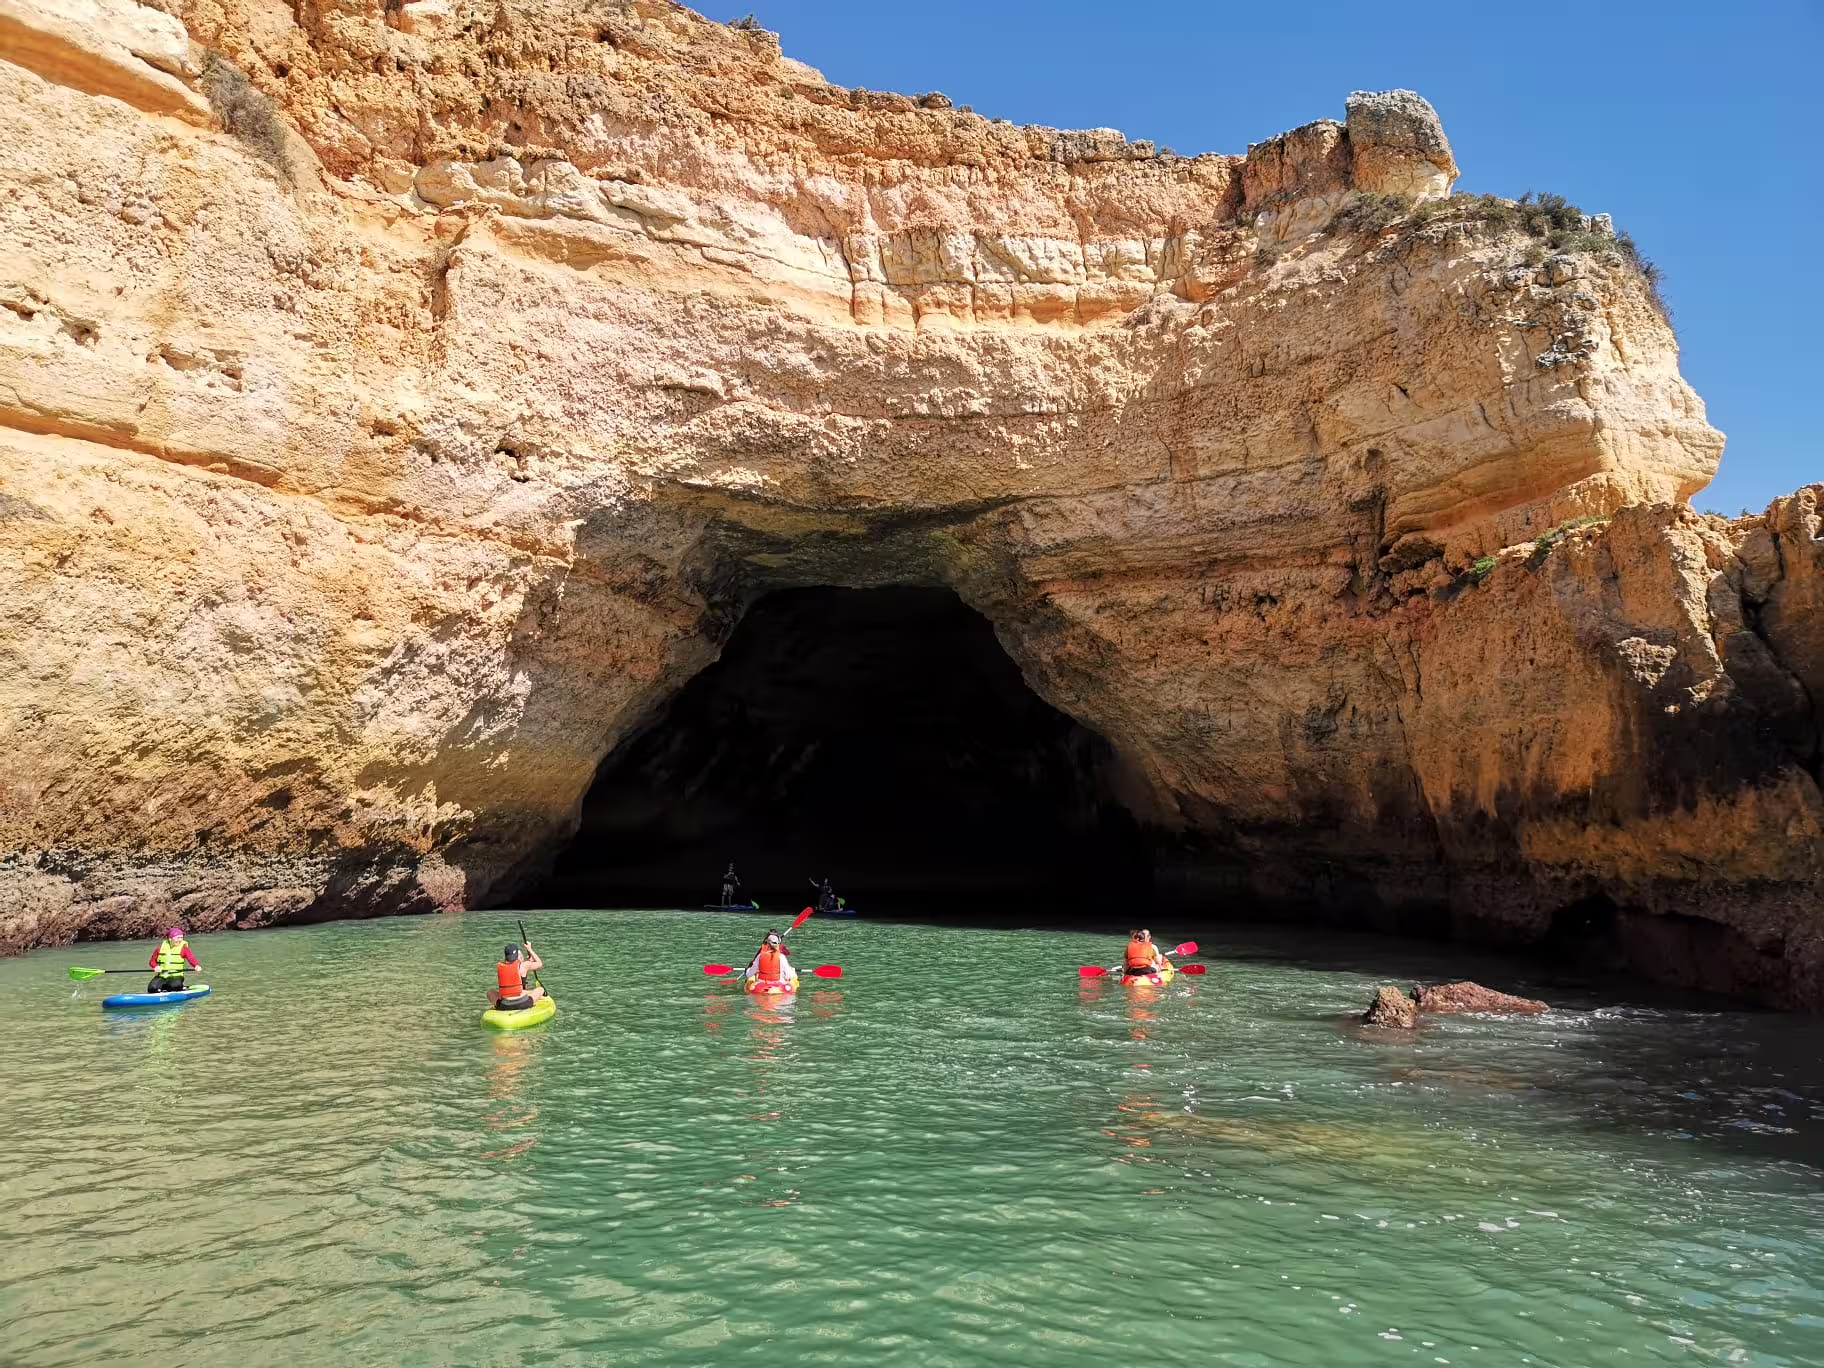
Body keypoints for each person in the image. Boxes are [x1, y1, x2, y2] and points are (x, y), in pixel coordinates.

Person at [491, 941, 545, 1010]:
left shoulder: (500, 966)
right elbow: (540, 964)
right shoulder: (524, 965)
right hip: (523, 1003)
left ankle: (498, 1006)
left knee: (490, 993)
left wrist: (529, 961)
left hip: (505, 1005)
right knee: (540, 989)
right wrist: (530, 949)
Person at [147, 926, 200, 993]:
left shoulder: (184, 949)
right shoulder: (159, 949)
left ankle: (179, 987)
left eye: (181, 938)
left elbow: (191, 958)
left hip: (176, 976)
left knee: (174, 987)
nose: (180, 940)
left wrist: (196, 965)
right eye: (178, 938)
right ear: (170, 939)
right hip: (162, 976)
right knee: (152, 988)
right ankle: (162, 989)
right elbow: (152, 961)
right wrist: (155, 966)